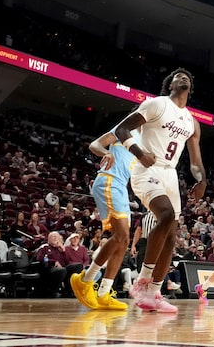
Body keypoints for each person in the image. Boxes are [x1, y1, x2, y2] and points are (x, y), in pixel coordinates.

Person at [114, 67, 207, 313]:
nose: (184, 77)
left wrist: (202, 180)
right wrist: (138, 152)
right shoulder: (156, 104)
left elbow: (195, 162)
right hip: (147, 169)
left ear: (191, 88)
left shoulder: (192, 122)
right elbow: (121, 130)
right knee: (165, 214)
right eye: (178, 76)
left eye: (187, 76)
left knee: (170, 239)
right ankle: (141, 280)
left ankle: (154, 292)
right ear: (170, 85)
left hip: (170, 174)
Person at [70, 124, 141, 311]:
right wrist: (105, 153)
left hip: (121, 187)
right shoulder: (127, 128)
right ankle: (85, 280)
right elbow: (95, 145)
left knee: (123, 241)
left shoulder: (147, 141)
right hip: (109, 180)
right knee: (122, 237)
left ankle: (103, 294)